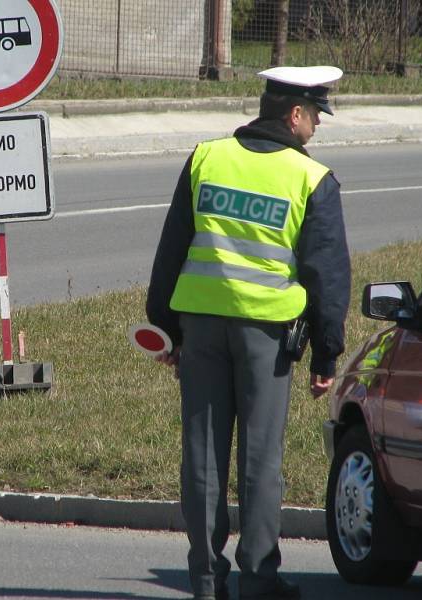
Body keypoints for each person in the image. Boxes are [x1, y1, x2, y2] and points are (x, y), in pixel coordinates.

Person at [146, 66, 351, 600]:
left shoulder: (207, 158)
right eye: (316, 117)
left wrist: (165, 329)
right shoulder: (310, 178)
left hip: (200, 328)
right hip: (267, 335)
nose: (317, 129)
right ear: (294, 114)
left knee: (204, 456)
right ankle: (258, 580)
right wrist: (326, 356)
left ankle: (207, 580)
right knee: (260, 459)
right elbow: (326, 276)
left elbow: (172, 249)